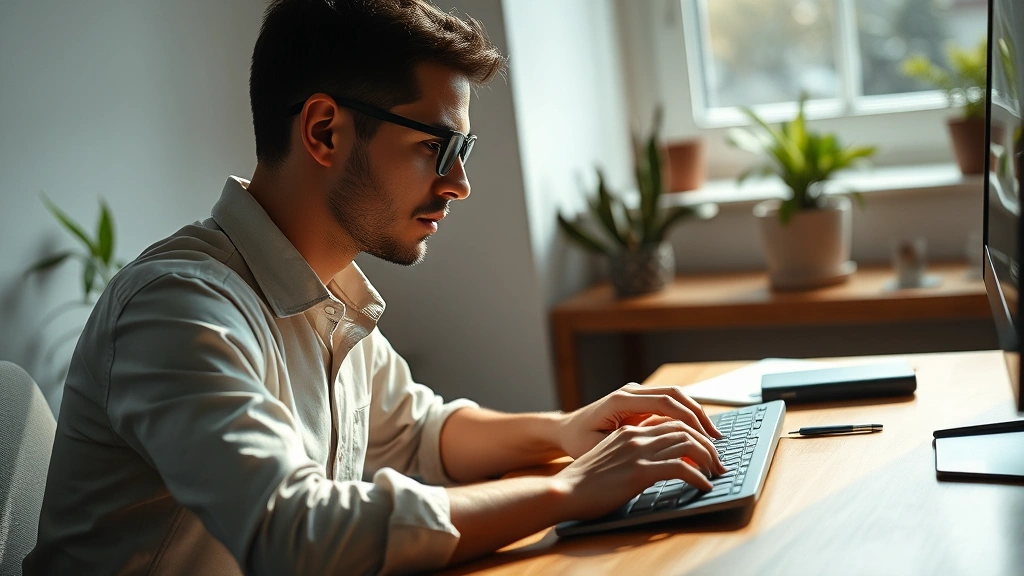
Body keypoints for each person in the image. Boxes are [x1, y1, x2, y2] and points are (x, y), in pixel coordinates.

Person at [24, 1, 725, 574]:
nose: (459, 184)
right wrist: (567, 490)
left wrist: (567, 431)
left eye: (464, 151)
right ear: (325, 131)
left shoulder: (326, 293)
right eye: (435, 147)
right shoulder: (178, 309)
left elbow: (420, 435)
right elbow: (291, 532)